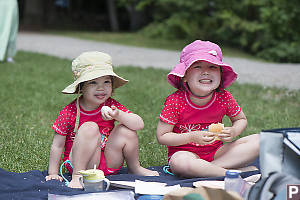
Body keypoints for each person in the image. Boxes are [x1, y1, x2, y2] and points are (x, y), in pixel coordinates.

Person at [45, 51, 158, 188]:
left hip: (108, 162)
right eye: (93, 82)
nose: (101, 88)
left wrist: (119, 116)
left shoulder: (111, 105)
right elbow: (57, 145)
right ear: (81, 86)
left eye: (106, 82)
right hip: (81, 164)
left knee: (126, 130)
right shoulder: (70, 112)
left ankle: (135, 167)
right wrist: (53, 172)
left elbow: (139, 124)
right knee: (90, 127)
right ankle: (77, 177)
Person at [156, 40, 260, 178]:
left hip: (218, 153)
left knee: (262, 140)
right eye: (197, 66)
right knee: (180, 163)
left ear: (221, 74)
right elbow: (162, 136)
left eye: (212, 67)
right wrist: (191, 137)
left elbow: (241, 119)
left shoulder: (223, 97)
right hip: (186, 154)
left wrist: (234, 130)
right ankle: (233, 174)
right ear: (185, 76)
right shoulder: (176, 101)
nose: (205, 72)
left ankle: (207, 170)